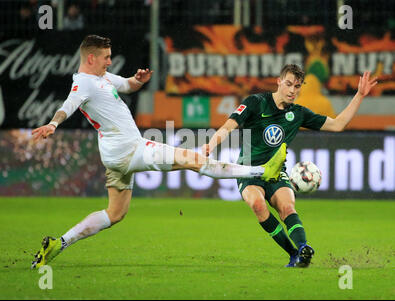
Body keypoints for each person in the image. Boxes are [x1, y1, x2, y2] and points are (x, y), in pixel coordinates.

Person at [30, 35, 287, 269]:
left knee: (115, 213)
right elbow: (68, 105)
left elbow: (127, 86)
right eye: (106, 57)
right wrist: (53, 124)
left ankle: (59, 243)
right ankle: (262, 171)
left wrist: (137, 81)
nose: (110, 61)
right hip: (131, 149)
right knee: (195, 160)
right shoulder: (84, 84)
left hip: (114, 156)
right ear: (91, 58)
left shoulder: (102, 79)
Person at [202, 64, 378, 267]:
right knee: (258, 204)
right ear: (278, 82)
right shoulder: (255, 102)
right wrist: (211, 144)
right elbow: (229, 125)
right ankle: (293, 253)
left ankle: (303, 249)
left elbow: (338, 125)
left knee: (287, 207)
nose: (292, 90)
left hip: (277, 173)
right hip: (248, 171)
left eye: (297, 86)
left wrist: (359, 95)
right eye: (288, 84)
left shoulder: (299, 113)